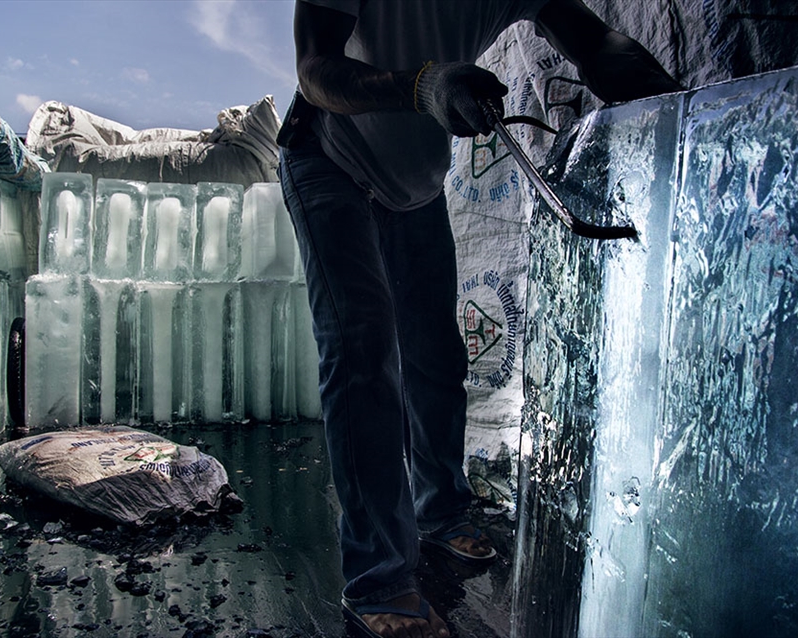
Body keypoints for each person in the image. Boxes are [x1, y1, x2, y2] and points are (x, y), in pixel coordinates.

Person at [277, 2, 682, 636]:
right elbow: (315, 72)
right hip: (329, 157)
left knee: (437, 354)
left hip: (414, 184)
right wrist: (424, 85)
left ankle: (441, 514)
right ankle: (379, 577)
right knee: (362, 354)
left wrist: (688, 110)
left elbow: (596, 43)